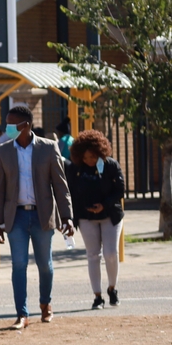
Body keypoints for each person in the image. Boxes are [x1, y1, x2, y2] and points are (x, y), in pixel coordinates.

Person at [0, 104, 75, 328]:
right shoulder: (3, 150)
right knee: (18, 265)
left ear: (25, 125)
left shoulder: (48, 148)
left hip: (42, 216)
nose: (7, 128)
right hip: (15, 217)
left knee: (45, 265)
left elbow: (60, 184)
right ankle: (22, 314)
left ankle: (45, 304)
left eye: (11, 124)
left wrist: (67, 217)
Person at [66, 130, 125, 309]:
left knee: (110, 253)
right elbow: (70, 193)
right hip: (86, 217)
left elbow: (120, 190)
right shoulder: (76, 169)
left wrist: (104, 205)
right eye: (85, 157)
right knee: (92, 255)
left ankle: (112, 289)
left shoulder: (110, 165)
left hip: (110, 215)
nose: (89, 160)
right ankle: (97, 296)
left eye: (92, 156)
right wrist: (70, 217)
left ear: (100, 152)